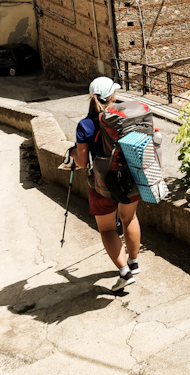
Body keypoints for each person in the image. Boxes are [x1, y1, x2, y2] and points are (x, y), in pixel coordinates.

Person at [72, 76, 141, 291]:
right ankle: (133, 262)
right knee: (129, 218)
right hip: (130, 177)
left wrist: (73, 153)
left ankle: (124, 272)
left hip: (102, 184)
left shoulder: (85, 125)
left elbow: (82, 163)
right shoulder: (125, 116)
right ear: (112, 95)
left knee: (108, 229)